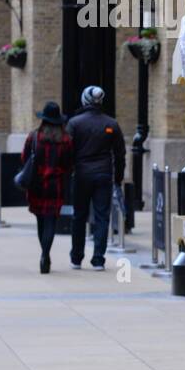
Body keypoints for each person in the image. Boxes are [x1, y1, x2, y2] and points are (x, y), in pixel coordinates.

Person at [66, 85, 125, 271]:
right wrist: (117, 178)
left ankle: (76, 257)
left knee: (79, 216)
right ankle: (98, 258)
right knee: (102, 217)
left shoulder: (75, 123)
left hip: (81, 175)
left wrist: (69, 172)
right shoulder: (111, 124)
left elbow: (68, 151)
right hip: (103, 175)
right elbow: (120, 154)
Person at [21, 101, 75, 274]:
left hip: (37, 184)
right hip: (56, 185)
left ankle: (45, 254)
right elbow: (69, 164)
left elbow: (24, 158)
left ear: (43, 119)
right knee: (51, 220)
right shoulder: (66, 139)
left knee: (40, 220)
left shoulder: (34, 137)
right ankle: (45, 254)